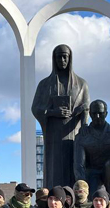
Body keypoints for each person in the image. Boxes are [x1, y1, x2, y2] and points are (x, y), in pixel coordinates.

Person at [31, 44, 90, 188]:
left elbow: (87, 107)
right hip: (53, 136)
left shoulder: (82, 84)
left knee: (74, 169)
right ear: (54, 59)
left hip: (74, 135)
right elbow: (35, 108)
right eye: (59, 57)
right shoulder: (45, 84)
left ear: (70, 59)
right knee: (54, 173)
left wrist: (81, 116)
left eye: (65, 57)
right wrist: (53, 112)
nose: (62, 60)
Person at [73, 99, 110, 193]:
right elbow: (79, 166)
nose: (97, 116)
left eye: (100, 113)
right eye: (94, 113)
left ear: (106, 113)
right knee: (96, 193)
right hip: (92, 175)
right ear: (90, 114)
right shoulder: (82, 136)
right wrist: (82, 187)